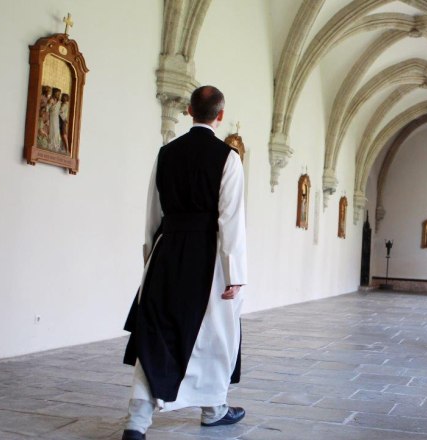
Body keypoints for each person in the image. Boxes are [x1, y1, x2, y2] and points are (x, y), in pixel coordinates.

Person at [121, 85, 247, 440]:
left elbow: (154, 213)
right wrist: (234, 273)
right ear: (220, 116)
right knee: (215, 338)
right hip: (209, 259)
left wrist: (151, 261)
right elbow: (231, 220)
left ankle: (136, 423)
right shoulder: (229, 158)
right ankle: (214, 410)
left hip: (166, 254)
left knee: (156, 335)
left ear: (189, 111)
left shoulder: (166, 153)